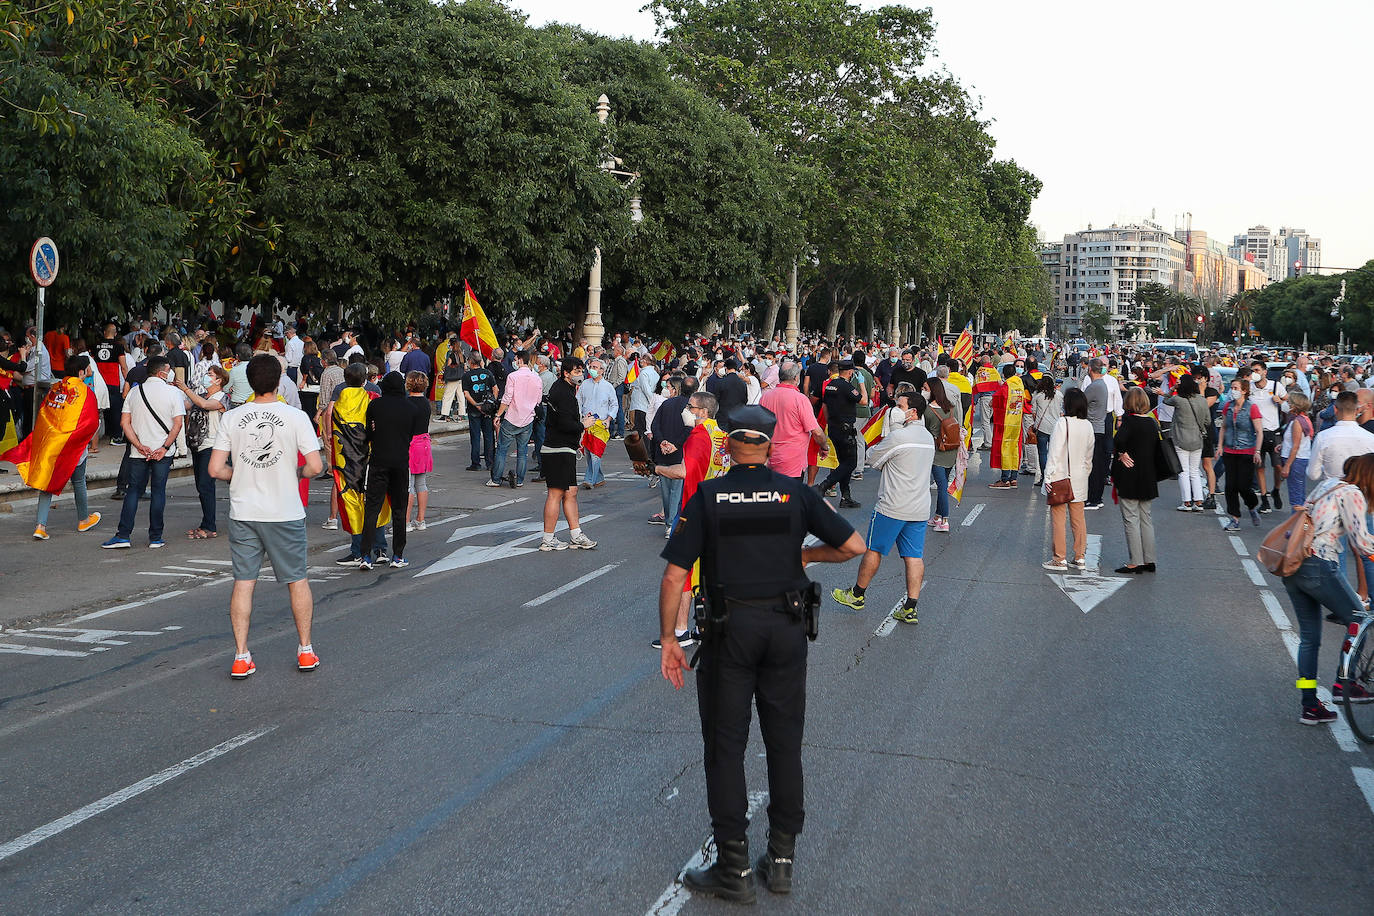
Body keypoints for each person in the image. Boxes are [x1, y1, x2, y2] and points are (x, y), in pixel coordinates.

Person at [658, 405, 865, 903]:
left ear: (727, 445)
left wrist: (669, 640)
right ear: (770, 447)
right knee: (784, 743)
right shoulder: (795, 492)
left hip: (730, 632)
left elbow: (672, 577)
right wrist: (807, 555)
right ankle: (781, 860)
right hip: (786, 630)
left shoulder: (709, 495)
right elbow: (854, 544)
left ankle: (732, 866)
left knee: (725, 746)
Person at [209, 354, 323, 679]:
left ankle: (241, 656)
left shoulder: (232, 418)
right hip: (285, 511)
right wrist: (296, 471)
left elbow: (216, 468)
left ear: (249, 382)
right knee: (297, 580)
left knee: (244, 583)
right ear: (278, 382)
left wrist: (240, 474)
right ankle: (305, 651)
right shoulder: (296, 416)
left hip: (244, 511)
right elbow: (315, 466)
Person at [1280, 455, 1374, 725]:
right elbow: (1362, 542)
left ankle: (1309, 706)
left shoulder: (1329, 485)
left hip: (1294, 564)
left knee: (1309, 640)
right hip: (1320, 564)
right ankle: (1345, 684)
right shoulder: (1353, 494)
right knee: (1359, 619)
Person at [833, 389, 934, 621]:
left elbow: (872, 459)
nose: (895, 410)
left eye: (900, 406)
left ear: (913, 412)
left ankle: (857, 594)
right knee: (913, 556)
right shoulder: (927, 438)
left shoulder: (899, 437)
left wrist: (892, 433)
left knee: (875, 549)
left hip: (893, 505)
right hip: (919, 506)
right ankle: (911, 606)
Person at [101, 356, 185, 550]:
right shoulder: (173, 393)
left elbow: (125, 423)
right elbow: (178, 424)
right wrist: (164, 447)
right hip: (163, 452)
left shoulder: (134, 393)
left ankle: (123, 535)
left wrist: (138, 445)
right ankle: (155, 537)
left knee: (133, 491)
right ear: (163, 371)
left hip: (139, 452)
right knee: (158, 492)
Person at [24, 361, 102, 540]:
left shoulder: (55, 388)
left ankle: (40, 526)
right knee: (79, 482)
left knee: (47, 484)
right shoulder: (84, 392)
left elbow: (44, 413)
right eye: (88, 369)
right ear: (82, 371)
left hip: (52, 444)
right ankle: (83, 520)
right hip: (73, 447)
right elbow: (92, 422)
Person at [359, 372, 416, 570]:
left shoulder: (375, 405)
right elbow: (411, 434)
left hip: (378, 461)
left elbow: (369, 431)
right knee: (399, 510)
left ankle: (365, 555)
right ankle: (397, 555)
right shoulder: (410, 407)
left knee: (372, 508)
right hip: (400, 462)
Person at [539, 357, 596, 550]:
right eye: (576, 371)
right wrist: (583, 425)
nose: (580, 375)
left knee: (571, 491)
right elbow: (563, 423)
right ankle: (548, 539)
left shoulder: (566, 390)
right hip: (557, 449)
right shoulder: (562, 392)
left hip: (565, 448)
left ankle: (576, 533)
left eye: (581, 371)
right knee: (555, 493)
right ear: (566, 373)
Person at [1041, 387, 1094, 570]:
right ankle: (1080, 556)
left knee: (1058, 518)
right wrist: (1085, 473)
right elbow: (1089, 456)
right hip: (1080, 478)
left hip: (1060, 477)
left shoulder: (1062, 423)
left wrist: (1047, 477)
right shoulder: (1088, 425)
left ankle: (1059, 558)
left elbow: (1054, 453)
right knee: (1078, 520)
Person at [1111, 387, 1161, 574]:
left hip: (1130, 475)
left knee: (1131, 518)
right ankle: (1150, 559)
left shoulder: (1129, 422)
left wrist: (1122, 454)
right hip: (1148, 476)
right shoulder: (1151, 423)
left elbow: (1118, 441)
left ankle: (1135, 561)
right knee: (1146, 518)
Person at [177, 364, 230, 539]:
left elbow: (205, 405)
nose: (206, 377)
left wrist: (185, 388)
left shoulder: (222, 397)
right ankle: (206, 522)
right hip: (197, 445)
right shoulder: (200, 395)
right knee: (201, 486)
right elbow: (185, 404)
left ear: (219, 380)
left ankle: (210, 526)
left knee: (206, 486)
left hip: (212, 446)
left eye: (210, 374)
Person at [759, 363, 826, 481]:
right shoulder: (800, 399)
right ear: (796, 378)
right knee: (791, 497)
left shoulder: (765, 397)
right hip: (792, 462)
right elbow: (817, 432)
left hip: (769, 458)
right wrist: (823, 446)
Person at [815, 359, 864, 508]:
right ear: (850, 372)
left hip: (834, 427)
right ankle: (824, 485)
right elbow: (863, 400)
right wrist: (861, 384)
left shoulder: (830, 385)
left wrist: (830, 422)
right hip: (845, 428)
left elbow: (825, 406)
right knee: (851, 462)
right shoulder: (846, 386)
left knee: (844, 463)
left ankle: (846, 496)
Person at [491, 349, 541, 488]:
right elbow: (538, 400)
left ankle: (495, 479)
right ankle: (519, 480)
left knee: (502, 449)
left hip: (512, 417)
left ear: (519, 360)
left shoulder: (513, 376)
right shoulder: (537, 378)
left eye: (515, 359)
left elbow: (507, 398)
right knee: (523, 451)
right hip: (528, 418)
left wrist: (498, 415)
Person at [1220, 377, 1265, 531]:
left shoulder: (1252, 408)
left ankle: (1252, 506)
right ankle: (1235, 518)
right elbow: (1224, 427)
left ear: (1244, 391)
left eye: (1236, 388)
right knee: (1230, 486)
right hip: (1230, 450)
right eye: (1232, 388)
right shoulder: (1228, 407)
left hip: (1247, 451)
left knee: (1243, 486)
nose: (1233, 391)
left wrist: (1257, 451)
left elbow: (1259, 431)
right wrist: (1220, 446)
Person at [1163, 373, 1210, 512]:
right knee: (1195, 471)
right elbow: (1208, 421)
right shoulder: (1202, 400)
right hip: (1197, 438)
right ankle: (1198, 501)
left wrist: (1172, 388)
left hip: (1181, 438)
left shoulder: (1178, 400)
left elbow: (1165, 400)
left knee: (1183, 471)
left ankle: (1187, 502)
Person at [576, 357, 618, 489]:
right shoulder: (584, 384)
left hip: (601, 425)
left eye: (595, 367)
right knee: (589, 453)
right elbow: (578, 402)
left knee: (596, 453)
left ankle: (589, 480)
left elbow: (614, 405)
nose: (592, 369)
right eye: (591, 366)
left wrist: (609, 419)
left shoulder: (608, 386)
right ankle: (599, 478)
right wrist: (579, 418)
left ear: (602, 370)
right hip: (586, 423)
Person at [921, 380, 957, 532]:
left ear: (933, 390)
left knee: (941, 486)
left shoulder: (927, 410)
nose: (923, 390)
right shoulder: (951, 407)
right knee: (943, 482)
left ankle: (945, 520)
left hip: (936, 451)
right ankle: (937, 516)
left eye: (925, 388)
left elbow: (924, 431)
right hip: (951, 449)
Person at [988, 363, 1026, 488]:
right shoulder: (1020, 384)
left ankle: (1005, 479)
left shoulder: (1006, 386)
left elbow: (996, 400)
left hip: (1006, 423)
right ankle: (1013, 478)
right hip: (1017, 422)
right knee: (1015, 448)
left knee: (1005, 449)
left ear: (1003, 374)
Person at [405, 370, 433, 530]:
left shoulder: (407, 403)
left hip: (410, 444)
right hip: (424, 443)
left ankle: (405, 521)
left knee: (407, 486)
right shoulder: (425, 403)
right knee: (421, 483)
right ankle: (420, 519)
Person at [1083, 359, 1111, 509]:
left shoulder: (1094, 386)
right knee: (1097, 464)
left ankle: (1093, 498)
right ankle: (1096, 497)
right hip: (1098, 427)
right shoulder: (1102, 384)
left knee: (1092, 465)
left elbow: (1081, 402)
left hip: (1093, 428)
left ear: (1090, 369)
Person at [1278, 391, 1314, 510]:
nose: (1286, 404)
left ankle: (1296, 526)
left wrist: (1287, 465)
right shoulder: (1298, 419)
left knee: (1296, 498)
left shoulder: (1298, 422)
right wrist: (1283, 445)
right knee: (1298, 495)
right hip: (1297, 460)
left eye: (1289, 402)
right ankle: (1300, 525)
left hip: (1296, 461)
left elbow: (1296, 445)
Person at [1029, 374, 1062, 488]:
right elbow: (1062, 412)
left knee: (1042, 453)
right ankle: (1053, 477)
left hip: (1042, 427)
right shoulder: (1059, 395)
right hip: (1056, 428)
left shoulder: (1038, 395)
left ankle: (1044, 477)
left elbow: (1033, 413)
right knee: (1054, 454)